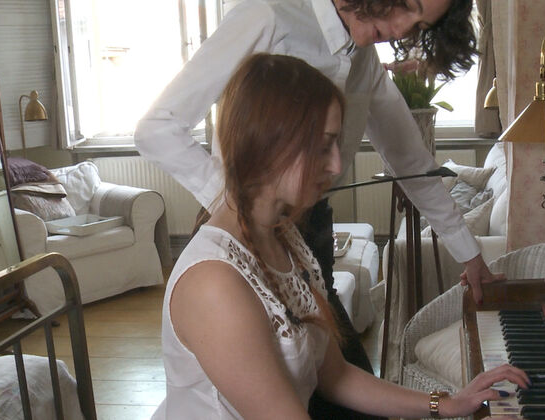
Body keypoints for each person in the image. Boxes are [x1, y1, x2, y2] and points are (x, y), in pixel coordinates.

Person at [136, 0, 503, 417]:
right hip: (253, 226)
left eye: (419, 26)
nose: (403, 30)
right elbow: (156, 128)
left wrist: (447, 403)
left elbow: (410, 160)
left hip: (286, 228)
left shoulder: (364, 60)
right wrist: (244, 205)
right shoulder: (270, 16)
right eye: (408, 7)